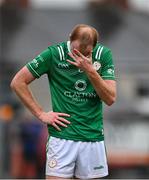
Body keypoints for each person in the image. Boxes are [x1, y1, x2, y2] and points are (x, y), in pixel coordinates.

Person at [11, 24, 116, 179]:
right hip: (62, 138)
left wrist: (90, 71)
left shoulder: (104, 55)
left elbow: (110, 98)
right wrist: (40, 113)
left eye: (85, 53)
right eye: (75, 51)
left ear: (93, 47)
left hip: (92, 138)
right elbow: (18, 82)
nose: (78, 57)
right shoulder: (53, 54)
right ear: (69, 39)